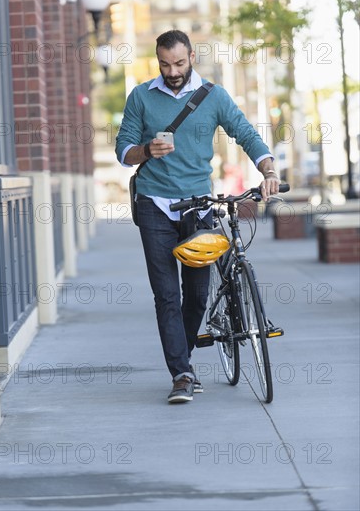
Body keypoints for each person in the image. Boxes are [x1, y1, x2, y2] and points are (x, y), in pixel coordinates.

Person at [116, 30, 280, 404]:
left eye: (178, 63)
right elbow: (123, 149)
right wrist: (146, 151)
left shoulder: (214, 95)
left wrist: (269, 171)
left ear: (191, 56)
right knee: (167, 296)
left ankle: (183, 358)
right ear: (156, 60)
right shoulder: (141, 96)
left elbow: (246, 134)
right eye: (164, 64)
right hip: (154, 205)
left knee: (197, 295)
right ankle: (182, 374)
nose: (172, 71)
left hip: (199, 206)